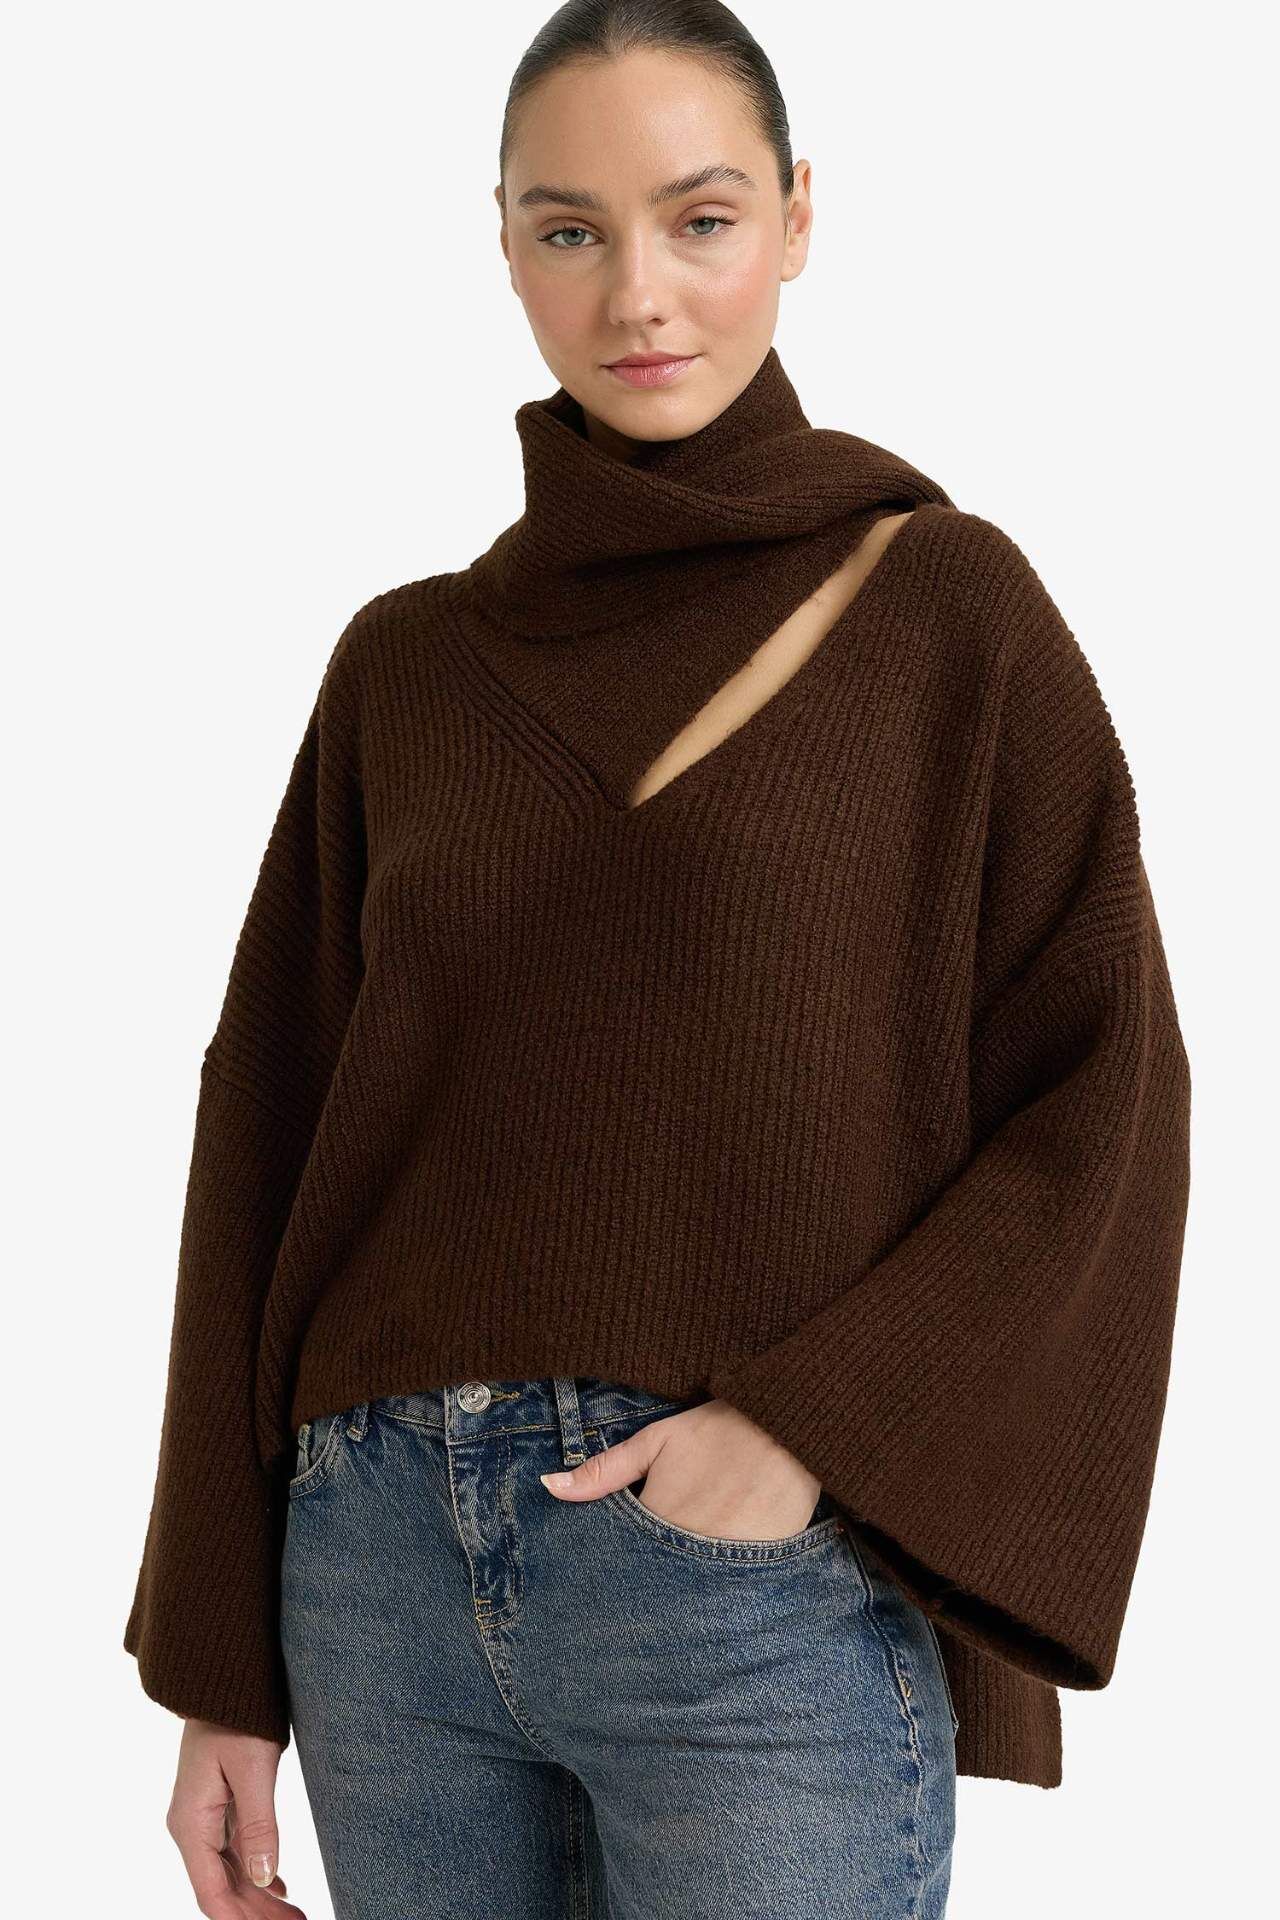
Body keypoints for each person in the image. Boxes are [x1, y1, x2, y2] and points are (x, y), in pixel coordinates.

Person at [124, 4, 1192, 1917]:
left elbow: (1102, 1096)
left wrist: (811, 1434)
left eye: (701, 220)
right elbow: (263, 1135)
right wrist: (220, 1666)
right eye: (570, 229)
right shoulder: (403, 666)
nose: (637, 294)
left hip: (742, 1590)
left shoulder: (945, 612)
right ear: (505, 244)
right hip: (372, 1580)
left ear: (797, 217)